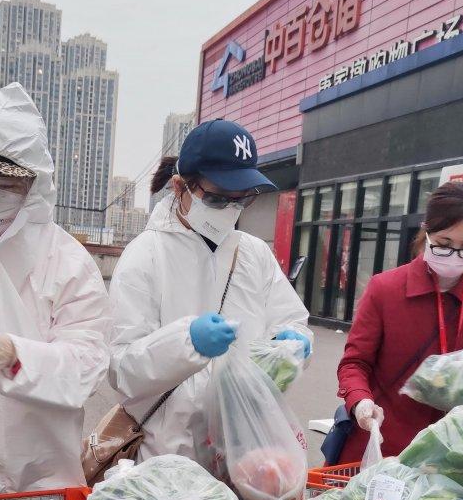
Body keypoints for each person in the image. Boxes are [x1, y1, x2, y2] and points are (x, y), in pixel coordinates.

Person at [0, 83, 111, 496]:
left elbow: (87, 365)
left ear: (36, 184)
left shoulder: (68, 262)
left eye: (5, 181)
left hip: (41, 485)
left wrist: (15, 354)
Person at [108, 118, 312, 461]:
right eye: (218, 199)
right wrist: (186, 342)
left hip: (245, 450)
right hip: (170, 454)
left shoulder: (254, 253)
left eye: (242, 200)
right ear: (179, 187)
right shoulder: (146, 254)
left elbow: (289, 319)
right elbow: (121, 369)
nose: (231, 210)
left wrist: (293, 343)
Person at [337, 182, 463, 462]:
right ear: (426, 231)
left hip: (459, 456)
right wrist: (360, 401)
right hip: (388, 447)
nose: (455, 255)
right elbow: (355, 363)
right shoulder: (385, 289)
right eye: (443, 244)